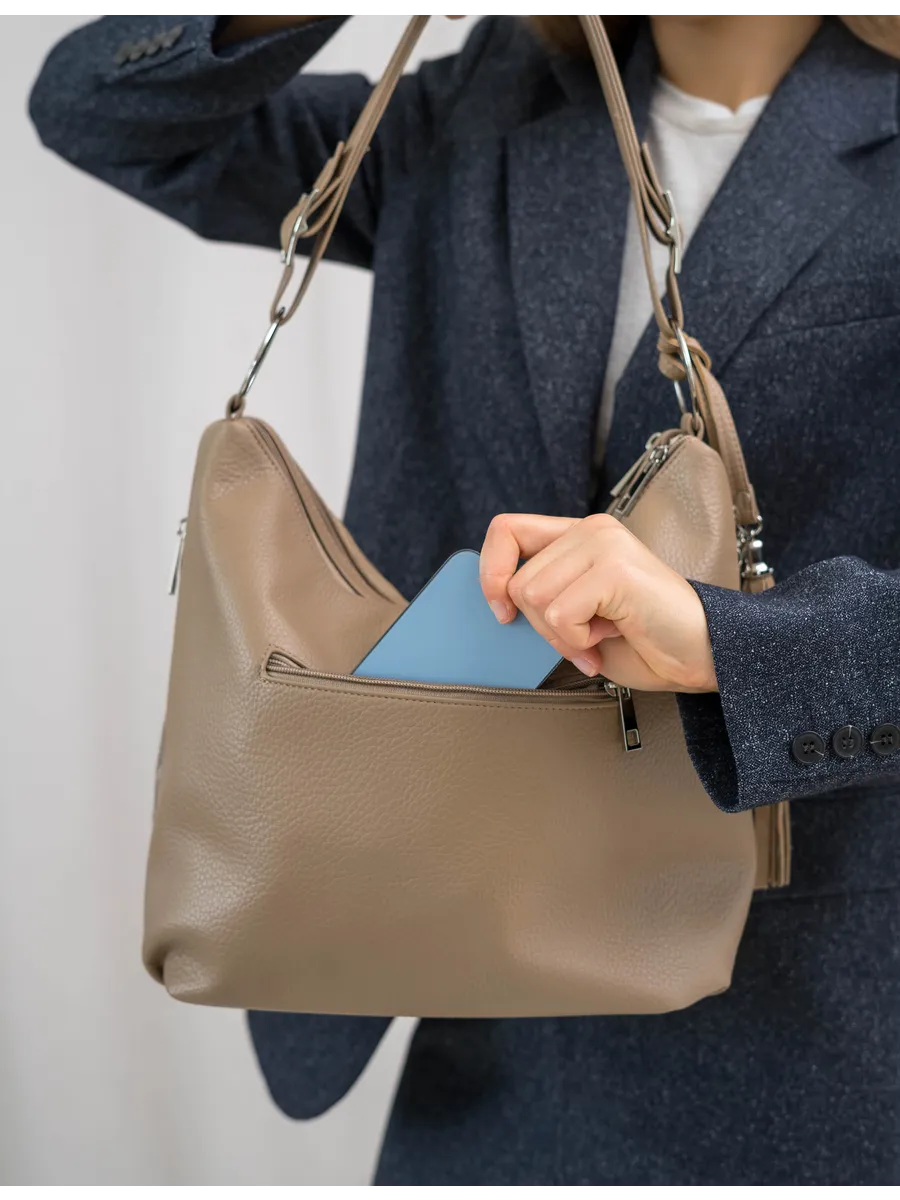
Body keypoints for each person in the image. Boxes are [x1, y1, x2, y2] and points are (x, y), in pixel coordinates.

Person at [29, 9, 900, 1189]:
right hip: (478, 1014)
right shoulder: (483, 102)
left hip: (811, 1015)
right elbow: (97, 111)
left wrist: (724, 640)